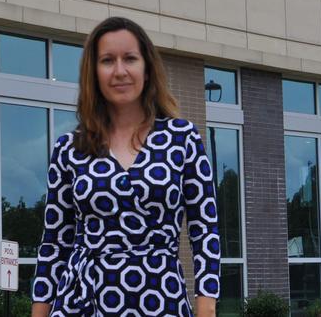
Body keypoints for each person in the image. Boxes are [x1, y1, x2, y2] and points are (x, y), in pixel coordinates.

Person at [31, 16, 220, 317]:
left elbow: (205, 230)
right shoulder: (70, 148)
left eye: (130, 59)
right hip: (82, 302)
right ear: (94, 73)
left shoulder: (182, 138)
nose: (119, 71)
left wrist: (206, 307)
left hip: (161, 299)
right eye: (107, 60)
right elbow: (54, 243)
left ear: (147, 69)